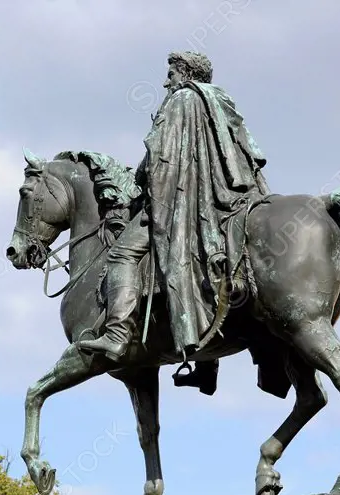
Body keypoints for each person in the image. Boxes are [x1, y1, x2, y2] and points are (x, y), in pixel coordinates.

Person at [78, 51, 270, 365]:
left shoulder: (180, 100)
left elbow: (158, 156)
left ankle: (116, 334)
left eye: (170, 74)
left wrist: (137, 179)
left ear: (183, 72)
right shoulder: (222, 103)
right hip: (226, 203)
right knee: (203, 271)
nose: (166, 81)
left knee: (121, 254)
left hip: (182, 201)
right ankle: (208, 365)